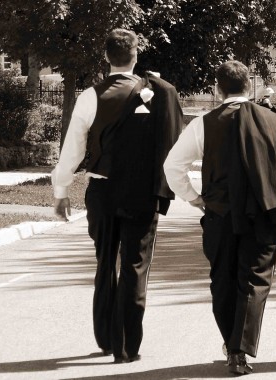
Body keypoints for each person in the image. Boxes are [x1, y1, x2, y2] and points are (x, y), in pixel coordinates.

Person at [163, 61, 276, 376]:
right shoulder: (272, 120)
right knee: (254, 280)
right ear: (250, 87)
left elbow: (173, 165)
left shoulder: (204, 123)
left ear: (217, 89)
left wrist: (194, 198)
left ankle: (231, 343)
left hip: (220, 212)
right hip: (264, 211)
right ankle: (239, 349)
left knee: (222, 280)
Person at [51, 28, 182, 363]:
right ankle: (127, 346)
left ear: (106, 57)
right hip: (141, 191)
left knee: (105, 262)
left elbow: (73, 149)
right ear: (135, 55)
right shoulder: (155, 92)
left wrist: (61, 190)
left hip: (103, 190)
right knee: (136, 266)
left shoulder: (90, 96)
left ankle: (107, 337)